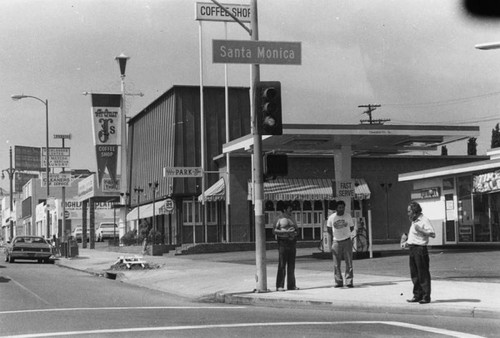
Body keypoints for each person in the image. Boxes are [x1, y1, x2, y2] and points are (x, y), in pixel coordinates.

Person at [405, 200, 436, 304]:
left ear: (415, 212)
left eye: (409, 211)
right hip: (412, 248)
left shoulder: (424, 220)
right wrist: (407, 242)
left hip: (420, 249)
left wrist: (421, 230)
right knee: (414, 274)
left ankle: (426, 296)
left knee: (423, 273)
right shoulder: (414, 220)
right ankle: (417, 295)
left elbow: (432, 234)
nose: (408, 213)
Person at [327, 200, 355, 288]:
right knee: (336, 263)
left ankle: (349, 281)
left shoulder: (348, 216)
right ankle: (338, 281)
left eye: (342, 207)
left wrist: (345, 234)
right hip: (336, 242)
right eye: (339, 208)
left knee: (349, 262)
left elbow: (351, 227)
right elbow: (329, 230)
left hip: (347, 240)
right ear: (336, 208)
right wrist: (335, 236)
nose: (341, 209)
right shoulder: (331, 218)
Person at [273, 203, 299, 292]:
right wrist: (285, 232)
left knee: (291, 264)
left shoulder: (292, 218)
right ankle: (279, 285)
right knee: (282, 264)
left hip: (292, 242)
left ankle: (291, 285)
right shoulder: (279, 218)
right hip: (283, 242)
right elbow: (274, 230)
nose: (291, 210)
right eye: (289, 208)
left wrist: (294, 233)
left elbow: (297, 229)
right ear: (284, 209)